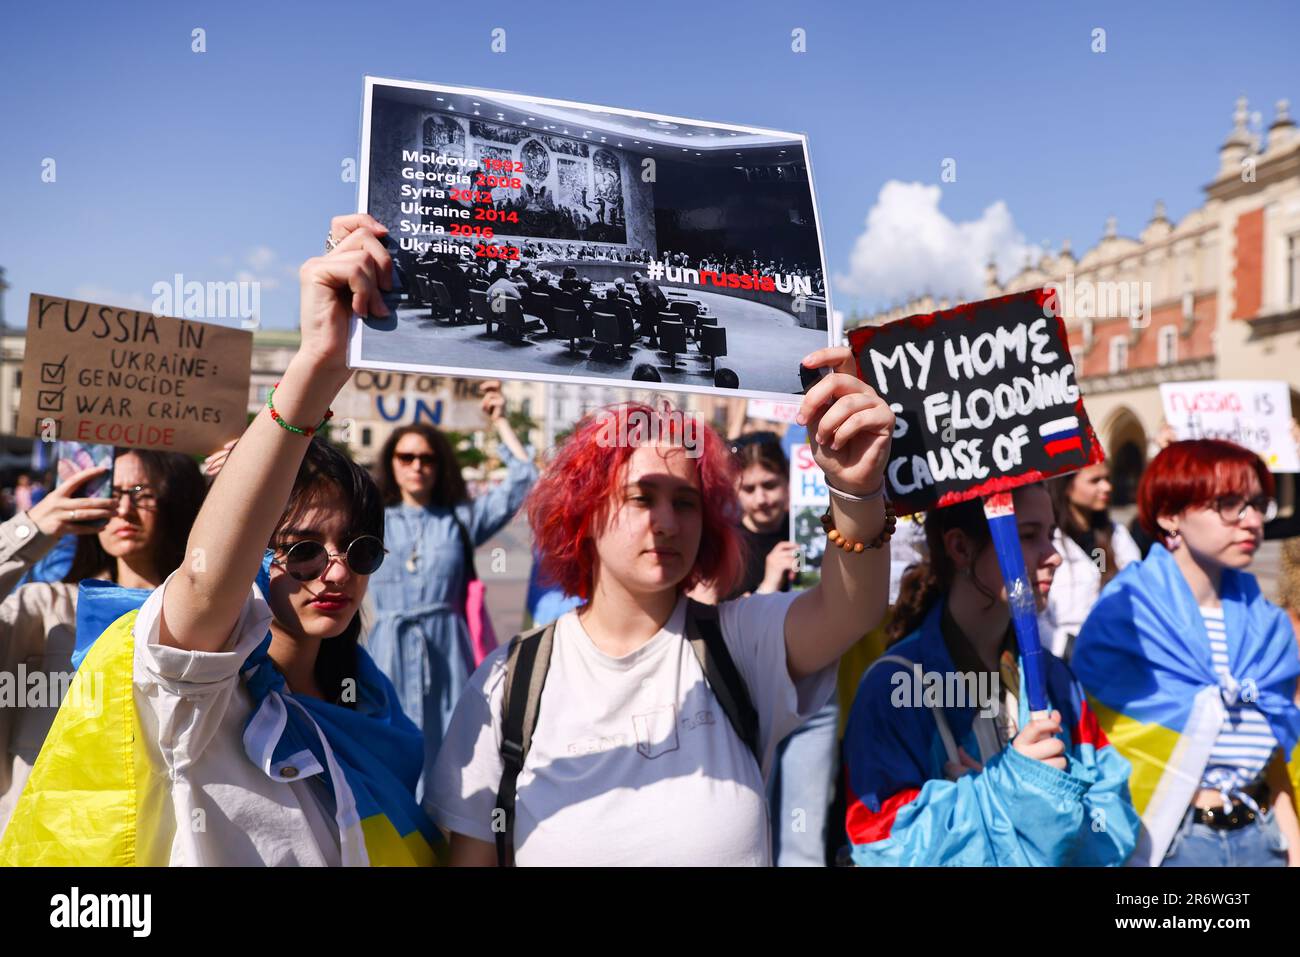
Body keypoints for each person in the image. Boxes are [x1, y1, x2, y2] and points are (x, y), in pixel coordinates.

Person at [1, 213, 436, 866]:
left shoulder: (375, 706)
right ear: (253, 554)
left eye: (361, 549)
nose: (337, 571)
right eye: (303, 550)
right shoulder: (196, 682)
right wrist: (317, 364)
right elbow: (205, 584)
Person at [431, 345, 897, 866]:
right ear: (583, 512)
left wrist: (856, 488)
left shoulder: (739, 643)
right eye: (641, 497)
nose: (667, 522)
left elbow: (850, 610)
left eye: (685, 501)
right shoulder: (506, 684)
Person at [842, 483, 1141, 866]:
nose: (1054, 556)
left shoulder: (1058, 680)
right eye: (1029, 536)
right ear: (960, 548)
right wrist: (1009, 791)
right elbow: (882, 849)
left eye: (1051, 535)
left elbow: (1113, 827)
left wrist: (989, 803)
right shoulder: (893, 687)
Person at [1073, 439, 1300, 867]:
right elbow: (1100, 742)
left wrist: (1292, 843)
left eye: (1256, 504)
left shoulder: (1268, 626)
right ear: (1169, 515)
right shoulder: (1127, 616)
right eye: (1229, 504)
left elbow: (1275, 751)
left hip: (1262, 836)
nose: (1251, 520)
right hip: (1166, 840)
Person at [0, 451, 206, 836]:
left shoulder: (218, 620)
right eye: (109, 492)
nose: (123, 509)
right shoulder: (44, 609)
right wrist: (30, 529)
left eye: (143, 492)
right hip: (46, 845)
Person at [367, 393, 537, 810]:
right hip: (385, 653)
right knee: (383, 755)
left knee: (452, 756)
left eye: (427, 458)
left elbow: (524, 478)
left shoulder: (461, 518)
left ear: (440, 464)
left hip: (447, 653)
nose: (416, 466)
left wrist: (499, 420)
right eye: (406, 457)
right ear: (391, 462)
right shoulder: (367, 519)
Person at [1039, 461, 1141, 661]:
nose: (1106, 487)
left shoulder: (1112, 537)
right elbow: (1036, 614)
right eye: (1095, 480)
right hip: (1065, 661)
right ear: (1067, 487)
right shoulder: (1050, 542)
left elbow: (1135, 589)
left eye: (1107, 479)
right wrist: (1069, 647)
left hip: (1117, 656)